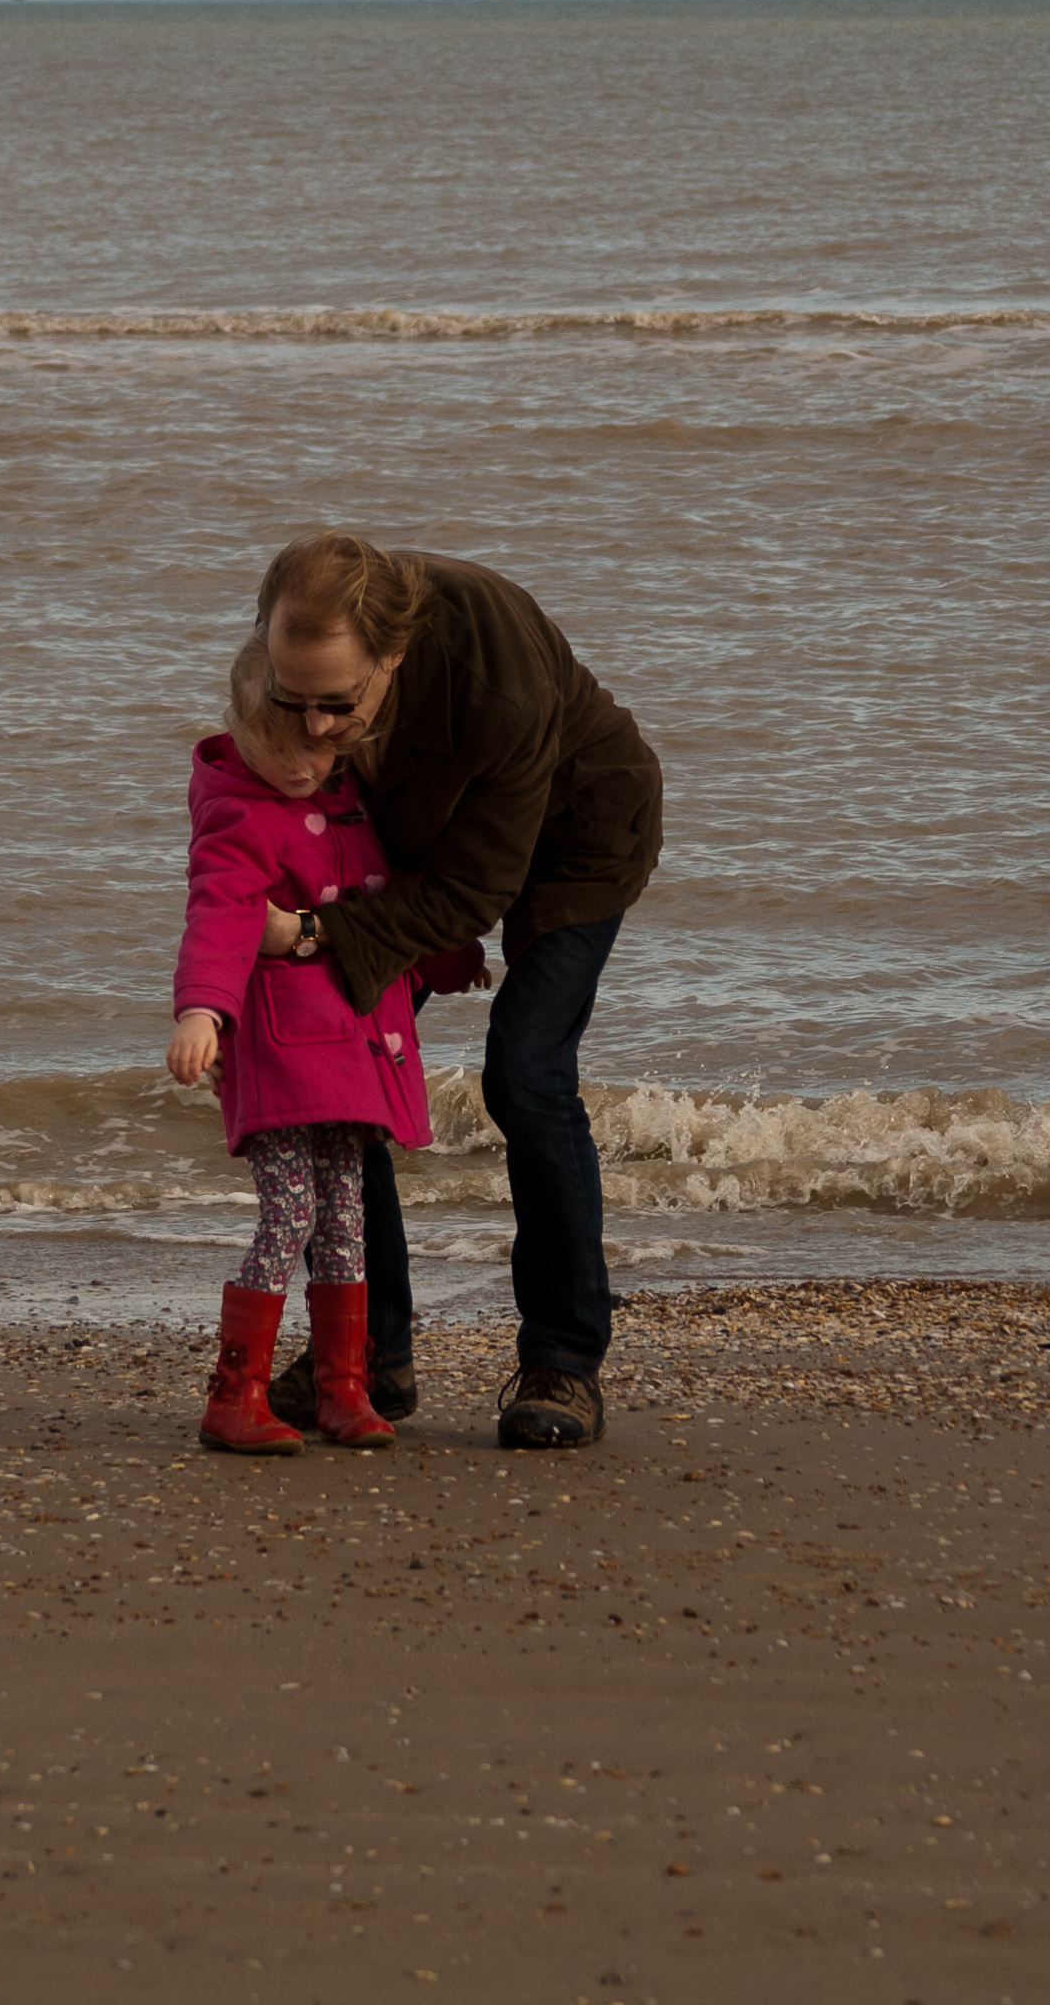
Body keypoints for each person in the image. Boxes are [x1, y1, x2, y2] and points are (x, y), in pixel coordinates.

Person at [242, 535, 660, 1451]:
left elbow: (475, 891)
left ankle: (563, 1359)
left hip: (578, 832)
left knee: (526, 1071)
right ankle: (368, 1357)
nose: (315, 727)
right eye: (292, 699)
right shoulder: (299, 651)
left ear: (391, 654)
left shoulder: (494, 678)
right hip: (420, 836)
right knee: (333, 1071)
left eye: (338, 705)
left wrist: (312, 932)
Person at [166, 638, 487, 1457]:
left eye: (314, 751)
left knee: (346, 1217)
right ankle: (235, 1394)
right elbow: (220, 912)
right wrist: (201, 1012)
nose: (302, 767)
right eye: (280, 752)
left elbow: (384, 895)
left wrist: (449, 957)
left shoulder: (347, 795)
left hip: (351, 1046)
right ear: (243, 734)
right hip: (280, 1053)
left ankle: (346, 1387)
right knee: (291, 1214)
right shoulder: (239, 813)